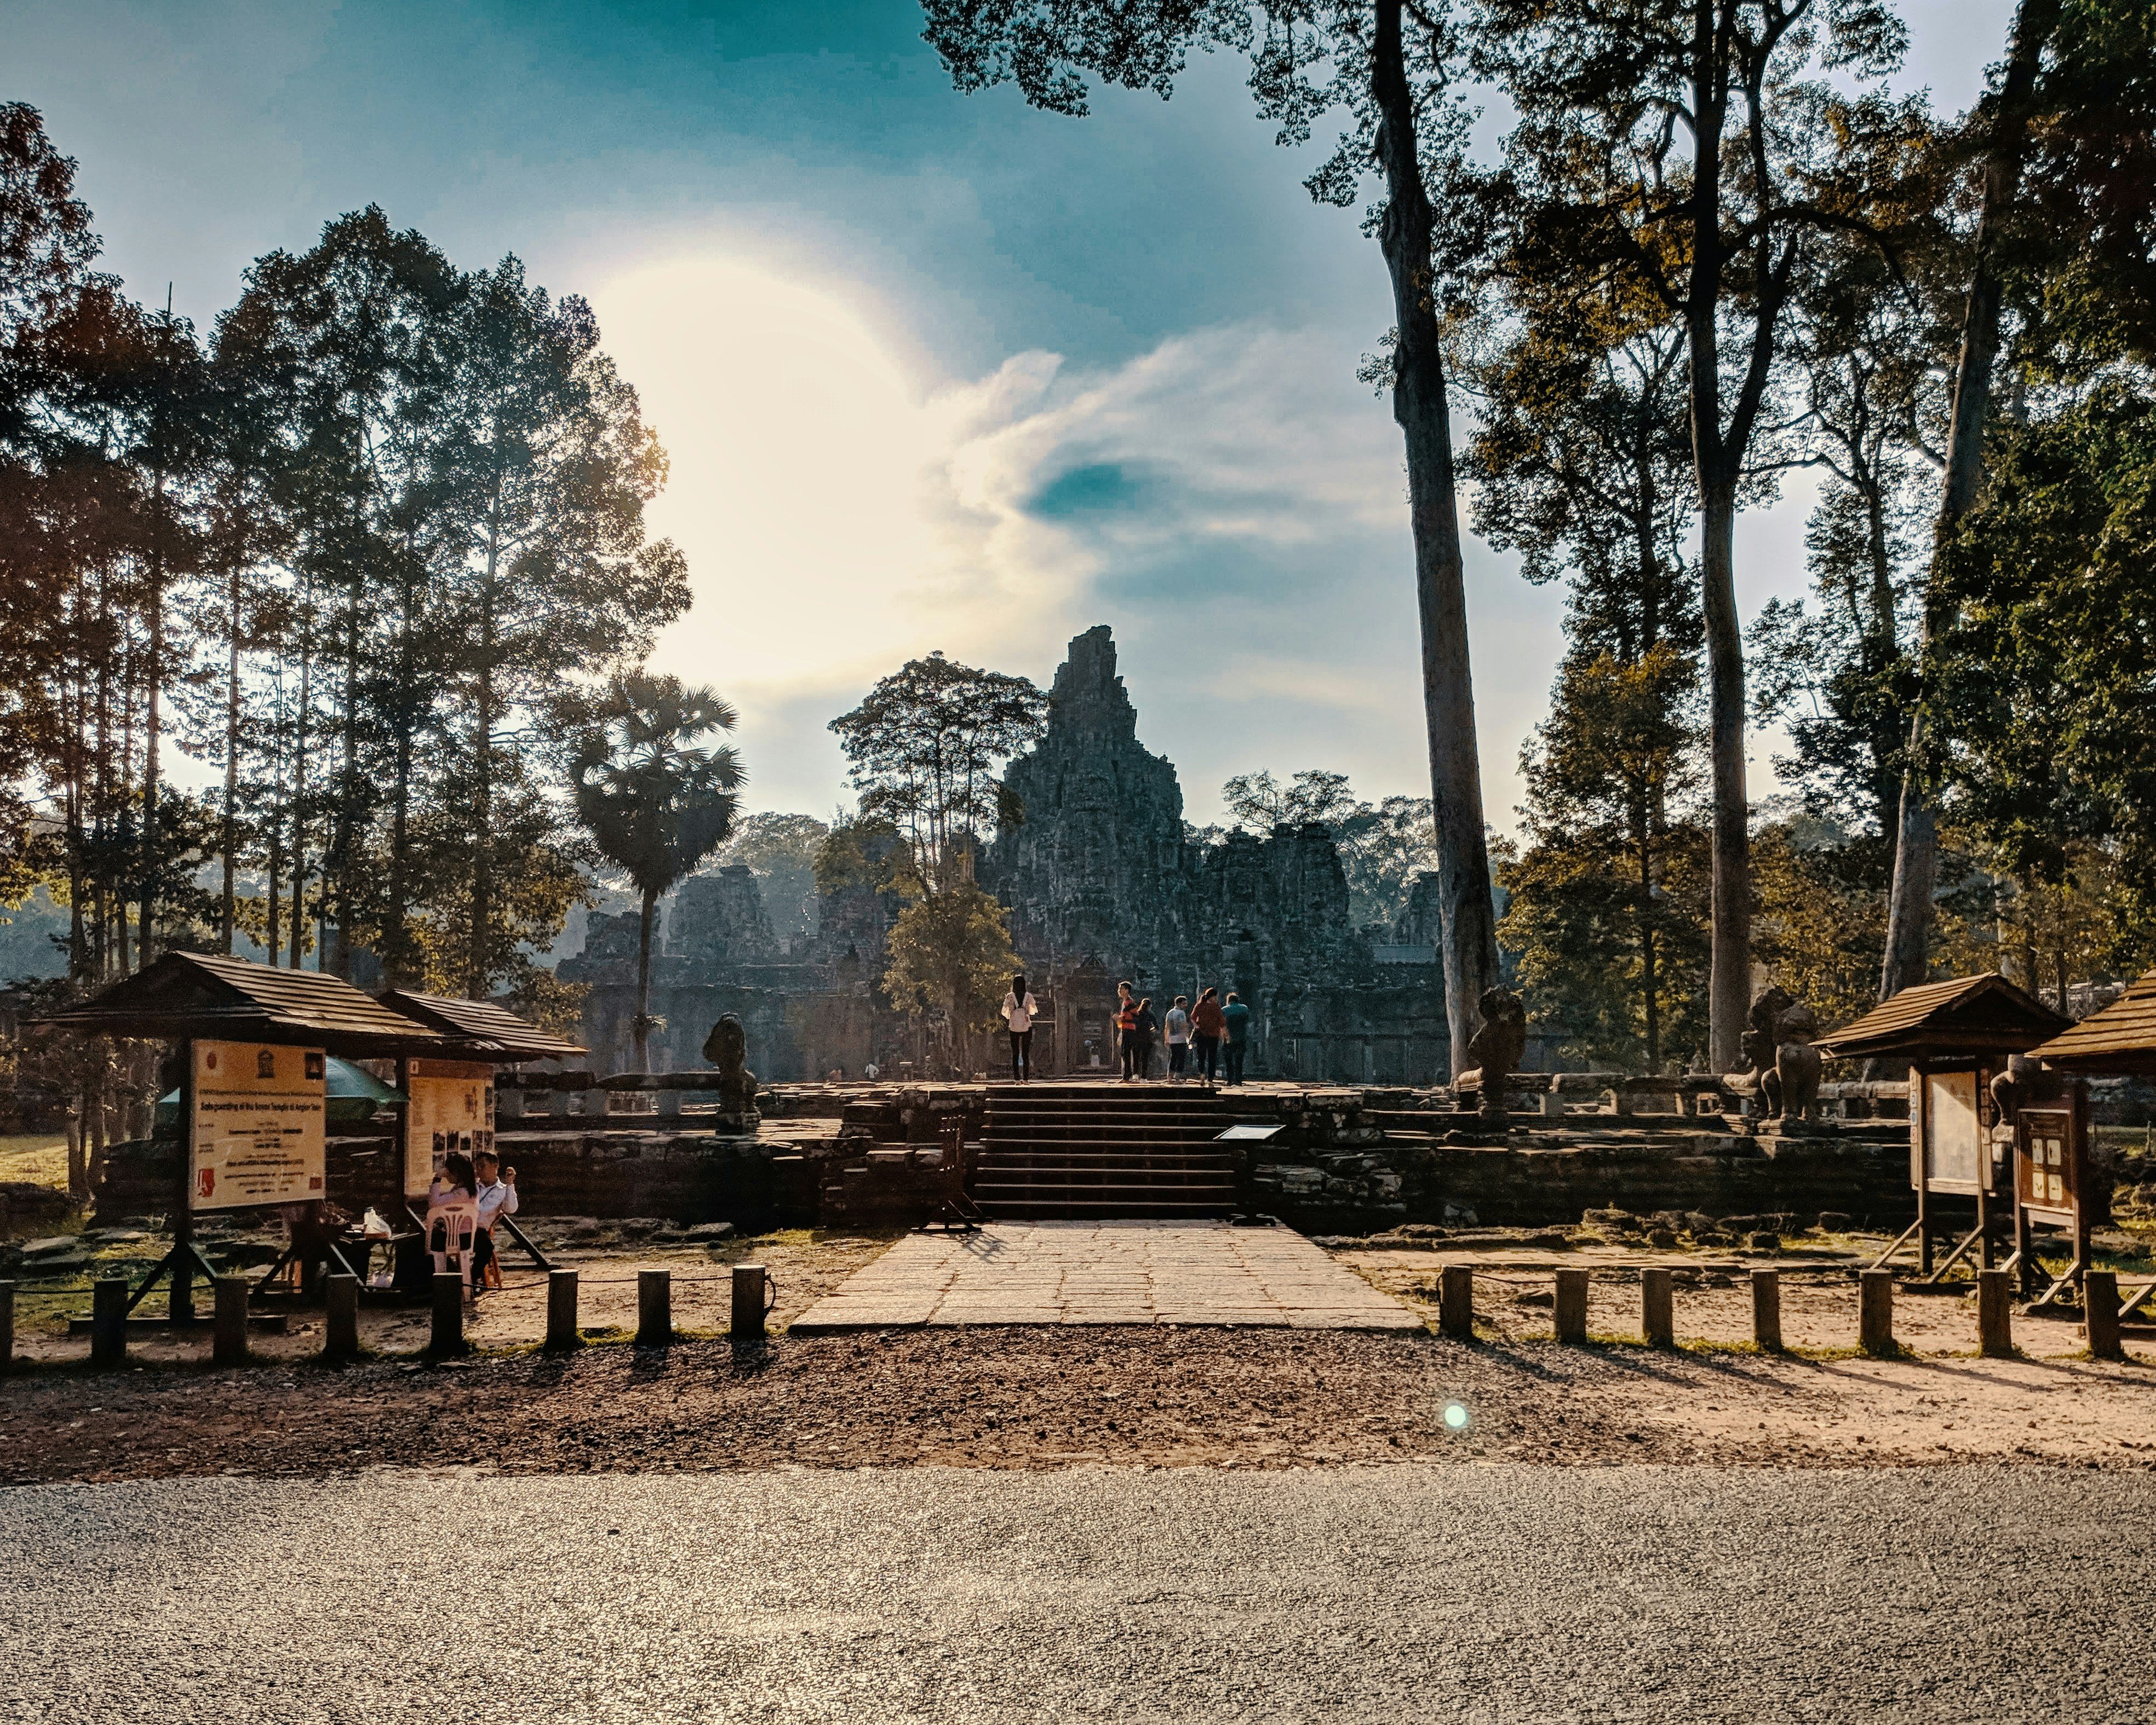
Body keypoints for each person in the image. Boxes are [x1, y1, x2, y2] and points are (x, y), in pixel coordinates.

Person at [472, 1148, 519, 1291]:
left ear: (495, 1167)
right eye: (477, 1166)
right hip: (463, 1226)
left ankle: (471, 1279)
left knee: (486, 1247)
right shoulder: (472, 1186)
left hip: (480, 1230)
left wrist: (510, 1185)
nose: (479, 1170)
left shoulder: (503, 1190)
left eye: (482, 1166)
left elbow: (511, 1209)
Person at [1002, 973, 1039, 1081]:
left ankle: (1017, 1078)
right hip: (1026, 1026)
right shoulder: (1029, 996)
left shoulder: (1010, 996)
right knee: (1025, 1053)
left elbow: (1006, 1012)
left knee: (1015, 1053)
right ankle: (1026, 1078)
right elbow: (1033, 1011)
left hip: (1014, 1026)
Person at [1190, 987, 1225, 1084]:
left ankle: (1202, 1074)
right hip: (1213, 1035)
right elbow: (1222, 1021)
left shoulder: (1200, 1005)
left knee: (1202, 1056)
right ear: (1213, 997)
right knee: (1212, 1057)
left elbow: (1193, 1017)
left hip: (1202, 1034)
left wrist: (1197, 1026)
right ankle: (1210, 1079)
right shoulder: (1216, 1007)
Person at [1222, 990, 1253, 1085]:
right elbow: (1247, 1021)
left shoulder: (1224, 1010)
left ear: (1229, 1001)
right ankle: (1238, 1080)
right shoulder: (1245, 1008)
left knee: (1229, 1060)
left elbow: (1222, 1025)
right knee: (1239, 1060)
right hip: (1241, 1037)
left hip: (1229, 1038)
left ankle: (1230, 1080)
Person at [1114, 982, 1140, 1080]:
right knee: (1126, 1053)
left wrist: (1119, 1018)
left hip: (1129, 1029)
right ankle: (1128, 1075)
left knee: (1127, 1053)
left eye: (1122, 989)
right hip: (1126, 1028)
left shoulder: (1129, 1002)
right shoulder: (1125, 1002)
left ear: (1127, 990)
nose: (1120, 991)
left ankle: (1128, 1076)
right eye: (1120, 989)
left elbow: (1134, 1015)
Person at [1165, 995, 1192, 1081]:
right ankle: (1177, 1077)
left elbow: (1167, 1027)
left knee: (1173, 1058)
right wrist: (1188, 1037)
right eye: (1184, 1004)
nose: (1186, 1005)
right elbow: (1183, 1025)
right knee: (1181, 1058)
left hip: (1172, 1039)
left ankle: (1169, 1076)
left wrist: (1166, 1039)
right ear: (1179, 1004)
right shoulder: (1181, 1013)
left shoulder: (1170, 1013)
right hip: (1181, 1039)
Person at [1132, 996, 1159, 1080]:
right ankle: (1144, 1077)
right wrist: (1151, 1030)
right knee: (1145, 1059)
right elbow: (1157, 1027)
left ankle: (1135, 1075)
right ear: (1150, 1006)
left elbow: (1133, 1024)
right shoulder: (1151, 1014)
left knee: (1136, 1058)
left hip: (1136, 1037)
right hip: (1147, 1038)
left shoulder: (1136, 1013)